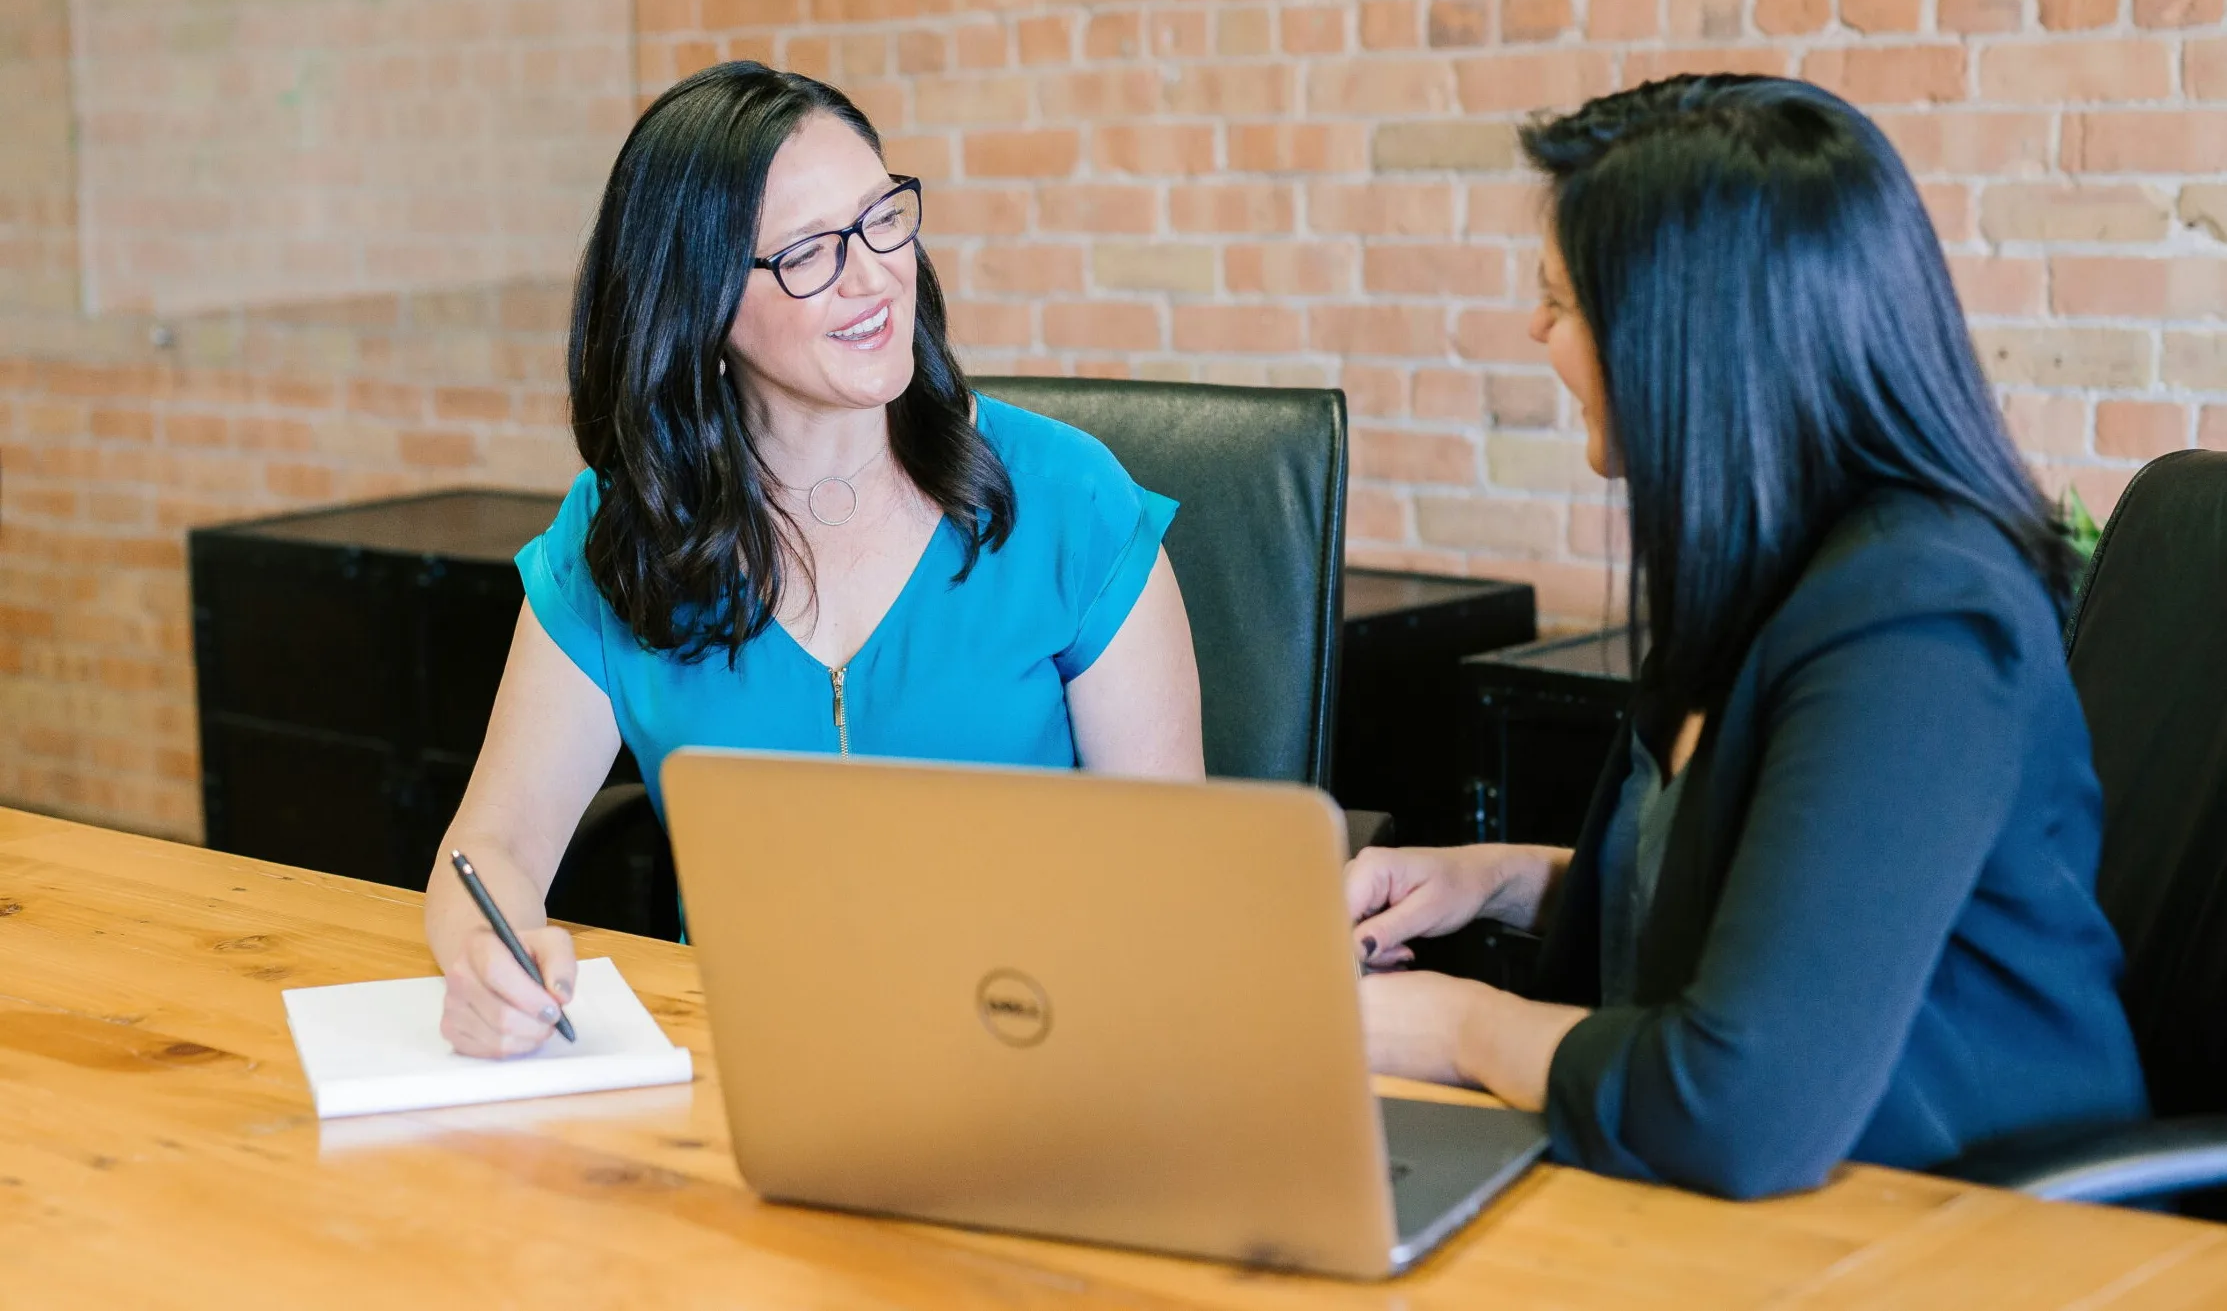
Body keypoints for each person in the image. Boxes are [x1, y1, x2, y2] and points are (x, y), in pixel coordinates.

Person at [1346, 76, 2148, 1199]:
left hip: (1963, 1222)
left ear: (1685, 341)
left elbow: (1736, 1106)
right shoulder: (1768, 567)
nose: (1534, 330)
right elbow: (1762, 900)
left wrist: (1456, 1028)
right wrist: (1497, 879)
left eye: (1560, 301)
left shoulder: (1918, 620)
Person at [428, 63, 1203, 1058]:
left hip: (1037, 1053)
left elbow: (1176, 878)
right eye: (807, 253)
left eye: (883, 218)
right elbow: (490, 844)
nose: (874, 273)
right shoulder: (623, 537)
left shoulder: (1068, 502)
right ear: (700, 305)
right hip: (742, 1071)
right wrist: (483, 962)